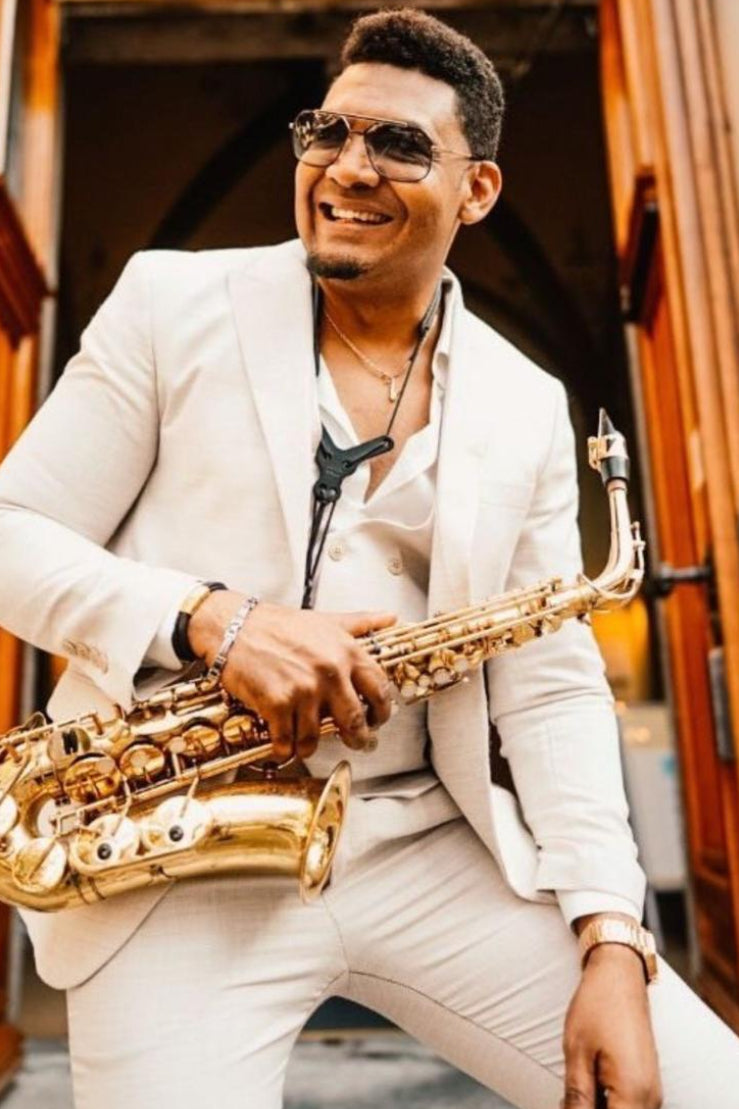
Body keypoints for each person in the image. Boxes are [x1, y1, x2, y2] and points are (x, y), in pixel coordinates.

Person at [0, 8, 737, 1109]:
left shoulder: (530, 408)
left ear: (476, 190)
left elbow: (548, 690)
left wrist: (612, 936)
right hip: (167, 851)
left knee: (696, 1088)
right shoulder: (169, 301)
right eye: (327, 131)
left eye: (396, 143)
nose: (347, 166)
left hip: (415, 838)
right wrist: (215, 619)